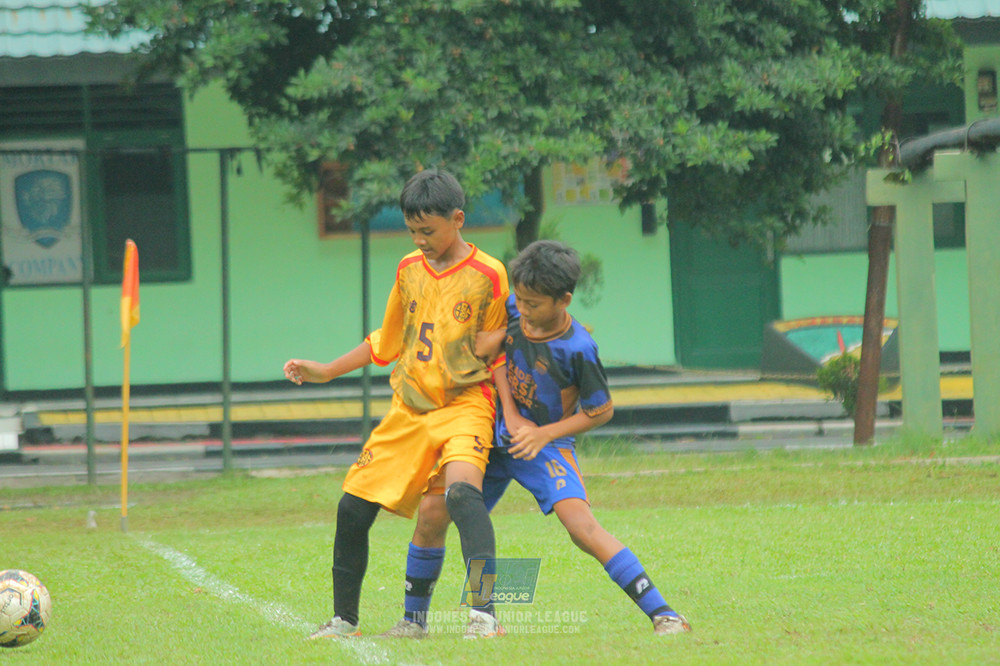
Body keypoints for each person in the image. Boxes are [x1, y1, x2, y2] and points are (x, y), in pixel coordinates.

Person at [382, 240, 691, 638]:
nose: (523, 311)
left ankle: (664, 613)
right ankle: (414, 621)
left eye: (533, 304)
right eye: (520, 301)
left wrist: (541, 433)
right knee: (432, 514)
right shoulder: (511, 307)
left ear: (563, 300)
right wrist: (509, 414)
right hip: (494, 437)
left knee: (582, 528)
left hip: (546, 444)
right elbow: (494, 360)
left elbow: (601, 411)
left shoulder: (579, 348)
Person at [283, 169, 509, 640]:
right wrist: (326, 369)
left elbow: (498, 354)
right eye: (413, 231)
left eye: (428, 230)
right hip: (408, 411)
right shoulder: (408, 269)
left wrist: (518, 416)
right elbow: (386, 341)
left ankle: (485, 615)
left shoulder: (489, 274)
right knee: (351, 508)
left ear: (458, 219)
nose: (420, 240)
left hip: (466, 406)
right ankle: (344, 619)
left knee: (462, 497)